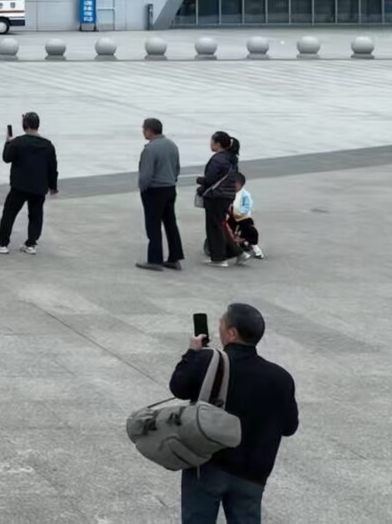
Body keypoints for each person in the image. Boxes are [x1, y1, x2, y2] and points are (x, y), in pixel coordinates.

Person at [167, 303, 298, 522]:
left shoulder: (209, 361)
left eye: (221, 323)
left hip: (208, 464)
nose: (218, 328)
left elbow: (177, 387)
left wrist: (192, 353)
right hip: (252, 474)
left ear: (232, 333)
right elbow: (289, 427)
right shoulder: (281, 378)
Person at [0, 112, 57, 254]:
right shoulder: (48, 145)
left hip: (20, 186)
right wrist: (53, 186)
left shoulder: (18, 142)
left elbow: (6, 158)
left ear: (24, 125)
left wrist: (8, 142)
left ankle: (2, 242)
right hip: (39, 187)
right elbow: (52, 167)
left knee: (9, 212)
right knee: (36, 215)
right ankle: (31, 244)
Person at [137, 118, 185, 271]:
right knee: (171, 223)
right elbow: (177, 168)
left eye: (144, 129)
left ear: (149, 131)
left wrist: (143, 188)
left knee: (153, 224)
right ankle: (174, 257)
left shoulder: (150, 149)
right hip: (170, 188)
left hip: (154, 190)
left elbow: (146, 175)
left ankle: (155, 260)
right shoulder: (172, 145)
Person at [199, 131, 246, 268]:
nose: (210, 143)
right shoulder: (231, 158)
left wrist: (200, 181)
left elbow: (210, 179)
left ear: (218, 143)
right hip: (227, 195)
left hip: (216, 196)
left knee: (214, 226)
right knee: (220, 224)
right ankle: (235, 253)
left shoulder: (218, 159)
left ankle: (219, 258)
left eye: (212, 141)